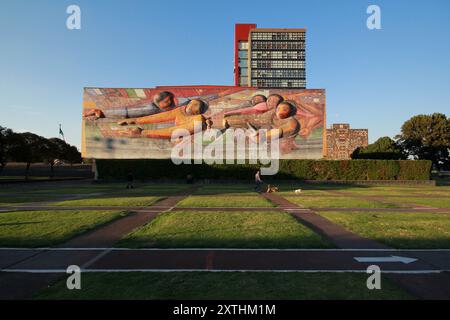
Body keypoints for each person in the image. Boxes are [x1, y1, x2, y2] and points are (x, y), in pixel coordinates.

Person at [83, 91, 176, 120]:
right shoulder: (154, 107)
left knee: (126, 113)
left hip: (129, 113)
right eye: (167, 101)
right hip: (129, 112)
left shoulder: (158, 108)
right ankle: (97, 112)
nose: (169, 103)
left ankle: (98, 113)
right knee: (127, 113)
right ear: (160, 101)